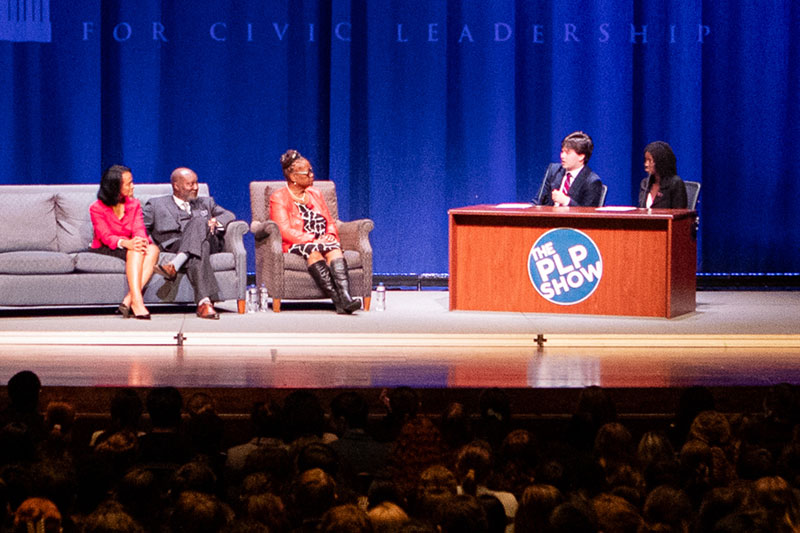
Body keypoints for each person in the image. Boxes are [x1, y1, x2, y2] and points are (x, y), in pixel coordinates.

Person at [270, 149, 361, 314]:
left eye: (311, 171)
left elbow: (330, 221)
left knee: (334, 249)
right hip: (297, 242)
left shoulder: (316, 193)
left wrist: (330, 235)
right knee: (314, 252)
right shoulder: (279, 197)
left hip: (321, 238)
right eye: (308, 172)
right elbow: (283, 230)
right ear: (293, 177)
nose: (312, 175)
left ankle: (346, 297)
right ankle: (338, 300)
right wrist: (312, 240)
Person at [143, 167, 235, 319]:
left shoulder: (206, 202)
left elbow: (228, 214)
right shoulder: (155, 205)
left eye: (196, 183)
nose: (196, 187)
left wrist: (215, 221)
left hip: (210, 241)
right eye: (190, 184)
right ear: (176, 186)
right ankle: (204, 302)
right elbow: (140, 227)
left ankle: (176, 264)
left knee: (199, 222)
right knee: (201, 247)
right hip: (175, 245)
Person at [89, 165, 160, 319]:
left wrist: (139, 240)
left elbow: (139, 228)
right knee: (136, 249)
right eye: (128, 183)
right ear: (115, 187)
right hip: (107, 247)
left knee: (153, 249)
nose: (133, 186)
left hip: (130, 245)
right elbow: (104, 236)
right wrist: (126, 243)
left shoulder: (134, 204)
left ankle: (129, 300)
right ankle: (137, 302)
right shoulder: (97, 208)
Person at [538, 131, 604, 207]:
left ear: (581, 156)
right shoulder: (553, 170)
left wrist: (566, 201)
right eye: (562, 151)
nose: (562, 156)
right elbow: (538, 201)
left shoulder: (592, 181)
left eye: (567, 153)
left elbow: (588, 214)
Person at [638, 141, 687, 209]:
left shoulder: (675, 183)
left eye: (650, 161)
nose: (646, 164)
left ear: (660, 162)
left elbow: (680, 214)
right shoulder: (645, 184)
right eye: (645, 160)